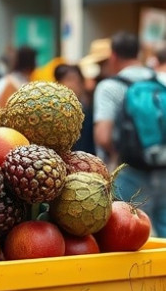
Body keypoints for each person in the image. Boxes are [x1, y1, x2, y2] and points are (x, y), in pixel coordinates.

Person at [93, 31, 166, 236]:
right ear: (139, 53)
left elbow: (103, 136)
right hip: (161, 167)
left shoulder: (109, 87)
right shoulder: (158, 81)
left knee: (130, 237)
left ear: (113, 56)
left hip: (128, 172)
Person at [54, 64, 95, 154]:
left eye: (72, 79)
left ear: (82, 83)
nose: (68, 85)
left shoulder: (90, 113)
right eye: (62, 80)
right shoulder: (53, 117)